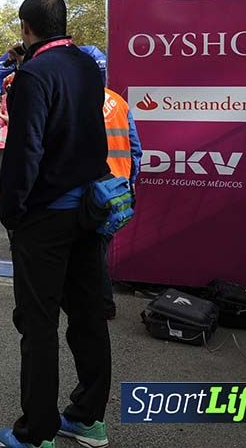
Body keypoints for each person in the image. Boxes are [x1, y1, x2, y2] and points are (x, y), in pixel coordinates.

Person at [0, 0, 111, 448]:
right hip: (90, 210)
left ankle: (36, 431)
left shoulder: (32, 75)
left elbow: (26, 152)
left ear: (26, 28)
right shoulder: (87, 66)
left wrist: (12, 212)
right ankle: (87, 418)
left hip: (46, 218)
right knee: (88, 316)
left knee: (38, 324)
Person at [100, 86, 142, 319]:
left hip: (91, 185)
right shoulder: (119, 101)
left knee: (90, 249)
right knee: (102, 245)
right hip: (117, 186)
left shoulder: (77, 95)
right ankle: (103, 303)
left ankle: (102, 304)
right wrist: (131, 179)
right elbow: (135, 147)